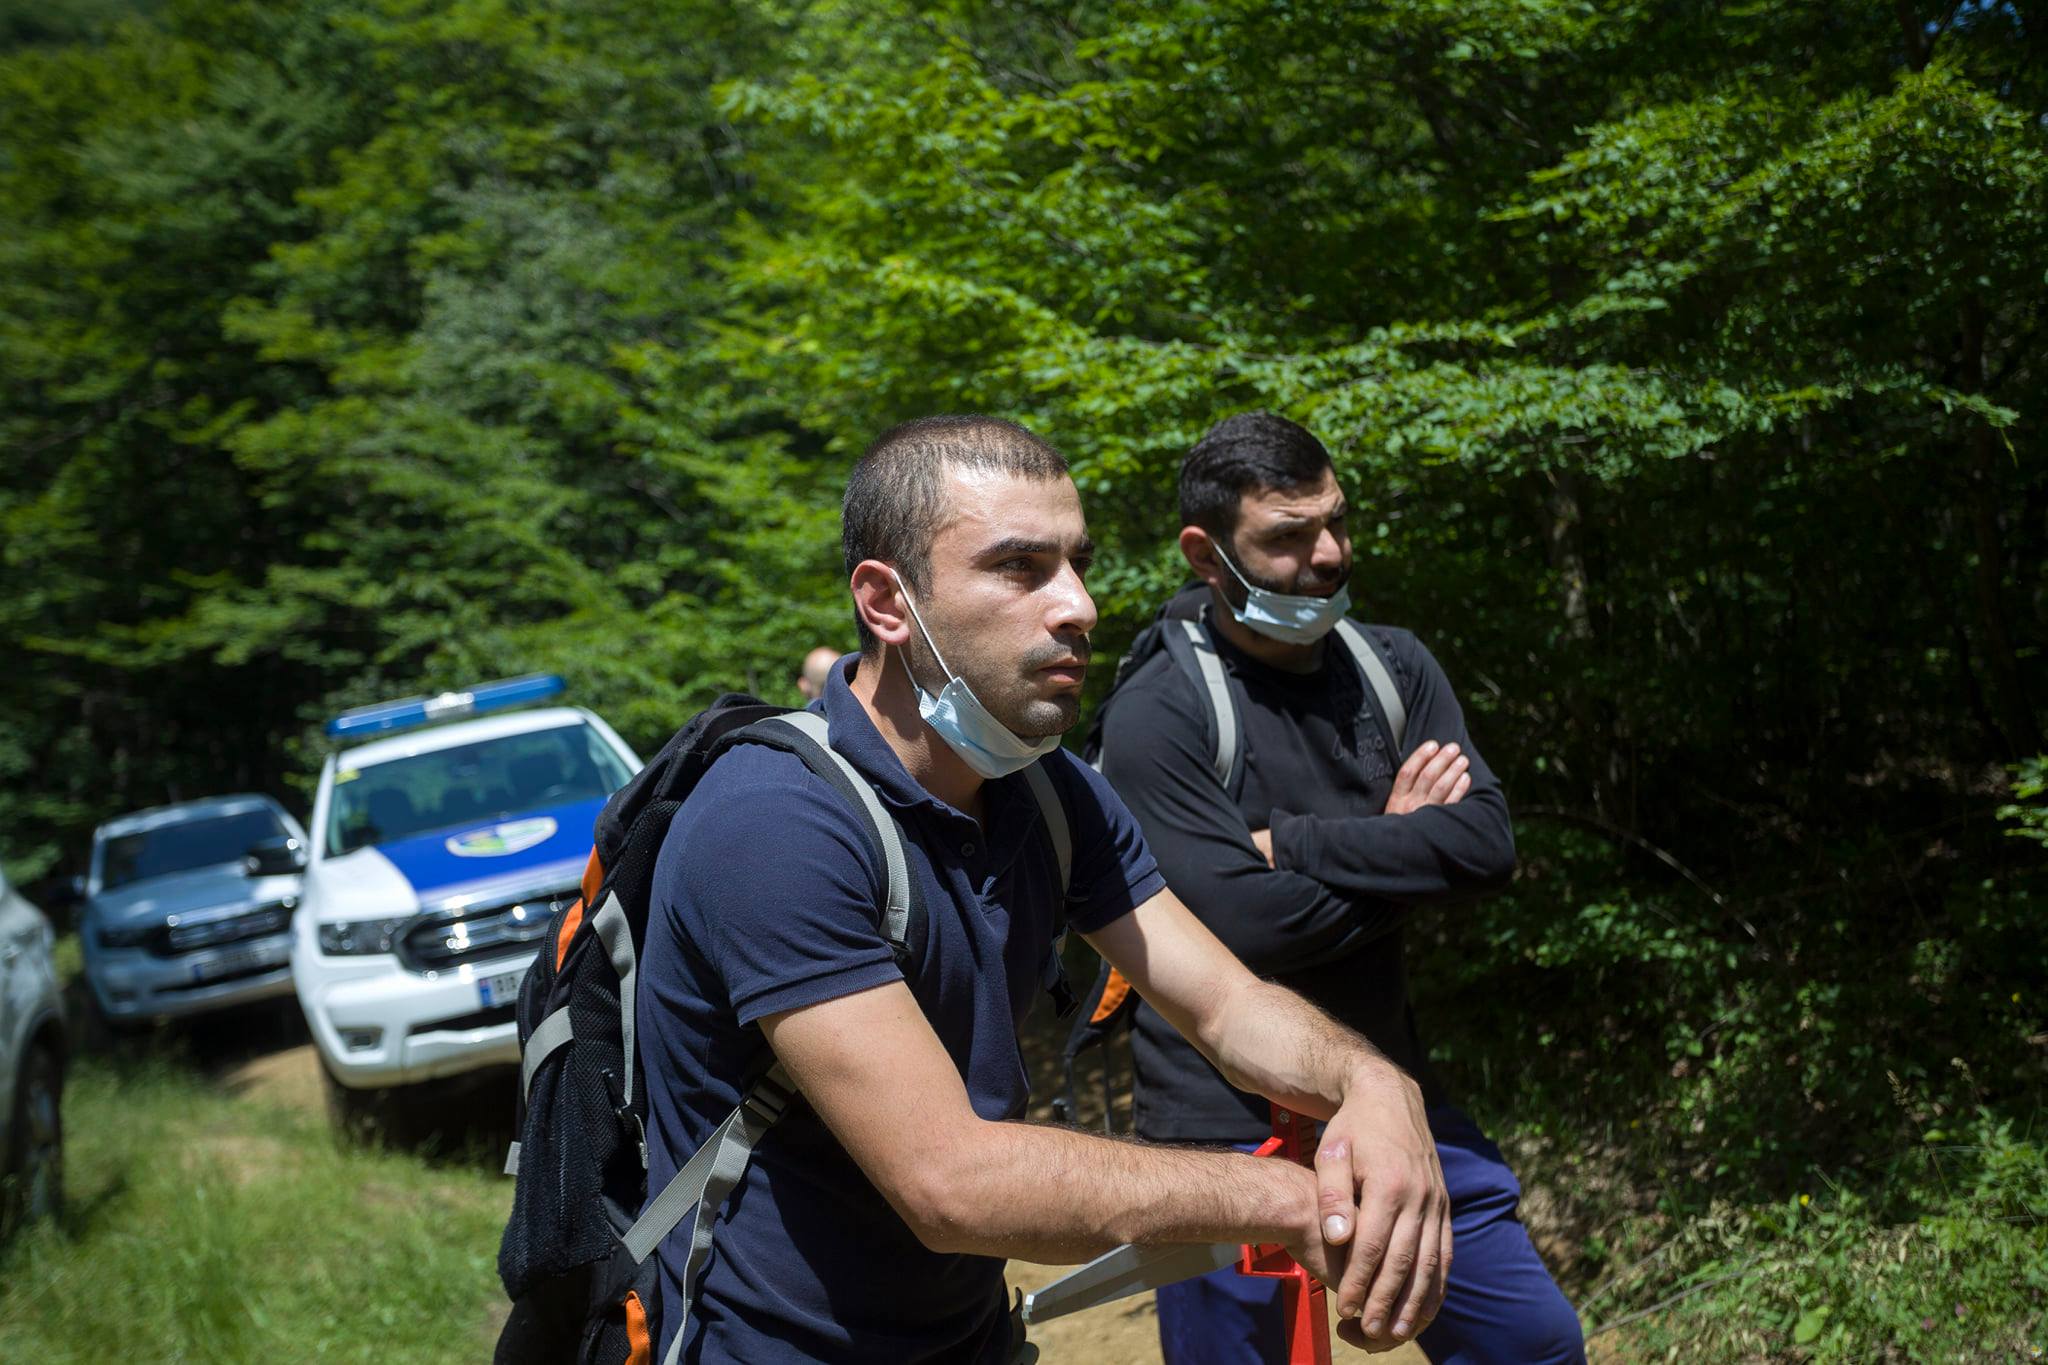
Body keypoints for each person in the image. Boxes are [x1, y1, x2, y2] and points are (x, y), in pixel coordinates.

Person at [637, 415, 1449, 1364]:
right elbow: (952, 1181)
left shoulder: (1052, 791)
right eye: (1020, 568)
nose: (1080, 605)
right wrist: (1287, 1197)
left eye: (1077, 563)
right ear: (887, 603)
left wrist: (1372, 1083)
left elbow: (1228, 1008)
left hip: (971, 1339)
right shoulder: (774, 821)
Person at [1095, 412, 1586, 1365]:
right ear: (1205, 553)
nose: (1328, 554)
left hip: (1390, 1094)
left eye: (1337, 522)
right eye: (1288, 535)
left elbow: (1487, 844)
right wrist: (1408, 850)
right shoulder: (1158, 711)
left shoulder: (1392, 667)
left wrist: (1293, 843)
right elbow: (1243, 929)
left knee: (1533, 1343)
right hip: (1219, 1130)